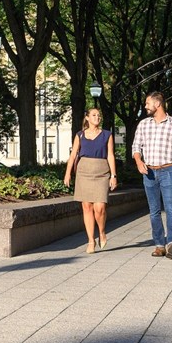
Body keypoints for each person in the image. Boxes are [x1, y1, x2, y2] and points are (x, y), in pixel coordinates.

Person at [132, 91, 172, 259]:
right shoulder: (143, 124)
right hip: (149, 172)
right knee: (154, 211)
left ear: (157, 104)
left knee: (171, 208)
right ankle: (159, 245)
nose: (145, 106)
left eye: (147, 103)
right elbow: (136, 147)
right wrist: (138, 161)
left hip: (168, 171)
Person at [63, 107, 117, 254]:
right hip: (84, 172)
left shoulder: (107, 135)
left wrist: (113, 175)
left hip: (101, 172)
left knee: (100, 208)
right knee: (87, 207)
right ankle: (91, 240)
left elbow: (110, 155)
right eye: (94, 115)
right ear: (87, 118)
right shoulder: (80, 135)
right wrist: (68, 173)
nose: (97, 117)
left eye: (99, 115)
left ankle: (102, 232)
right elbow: (73, 155)